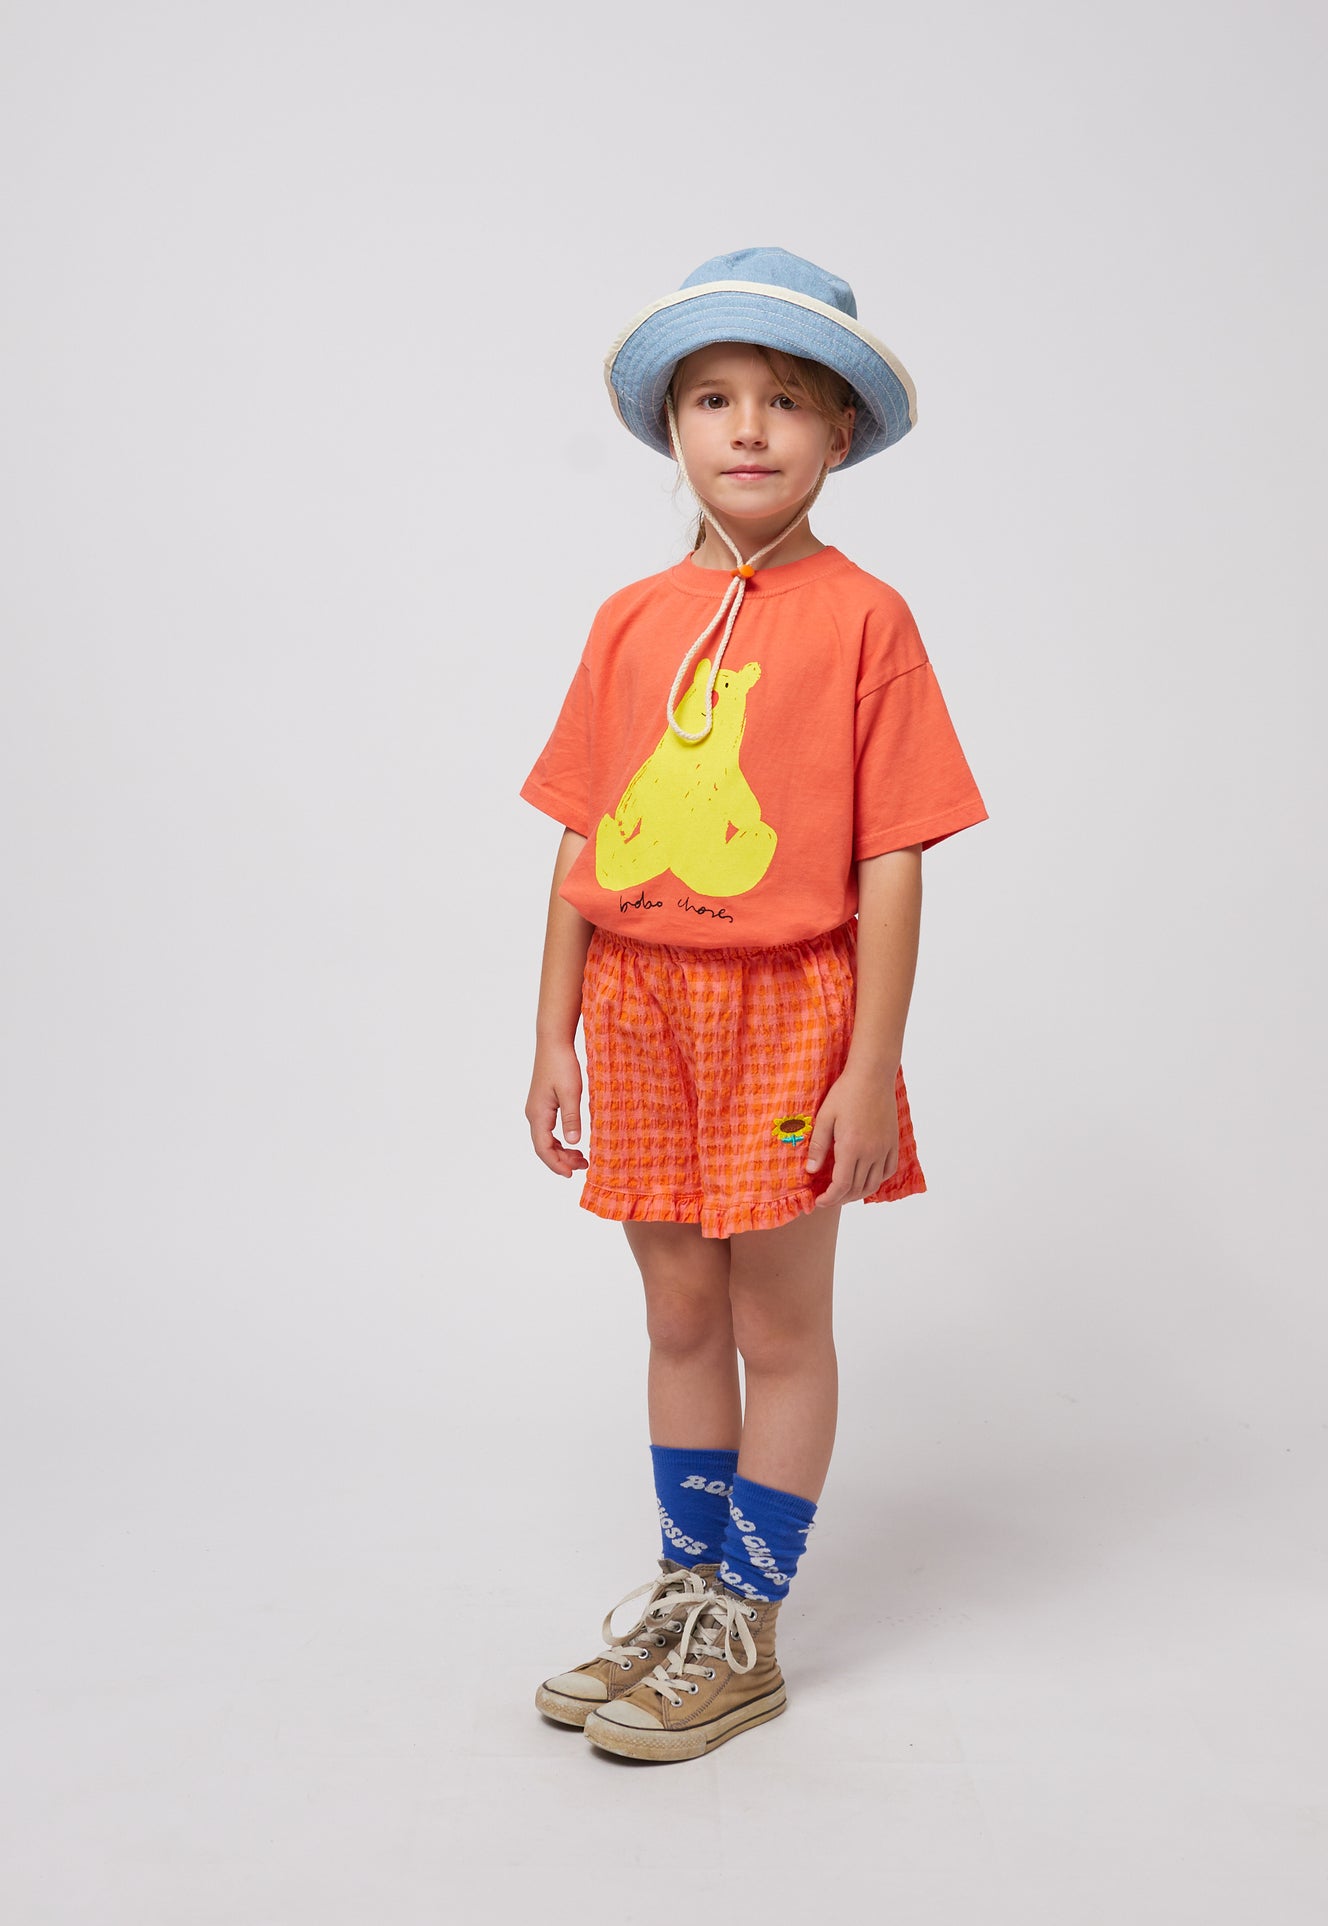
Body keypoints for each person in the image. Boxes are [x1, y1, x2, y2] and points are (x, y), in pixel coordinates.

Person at [520, 248, 988, 1762]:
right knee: (675, 1309)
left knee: (776, 1318)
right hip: (640, 1003)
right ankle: (683, 1583)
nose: (745, 428)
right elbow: (584, 840)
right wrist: (550, 1034)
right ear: (672, 428)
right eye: (714, 398)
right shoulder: (624, 618)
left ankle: (749, 1621)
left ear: (836, 434)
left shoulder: (866, 620)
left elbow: (894, 858)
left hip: (791, 1005)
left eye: (785, 401)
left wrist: (871, 1063)